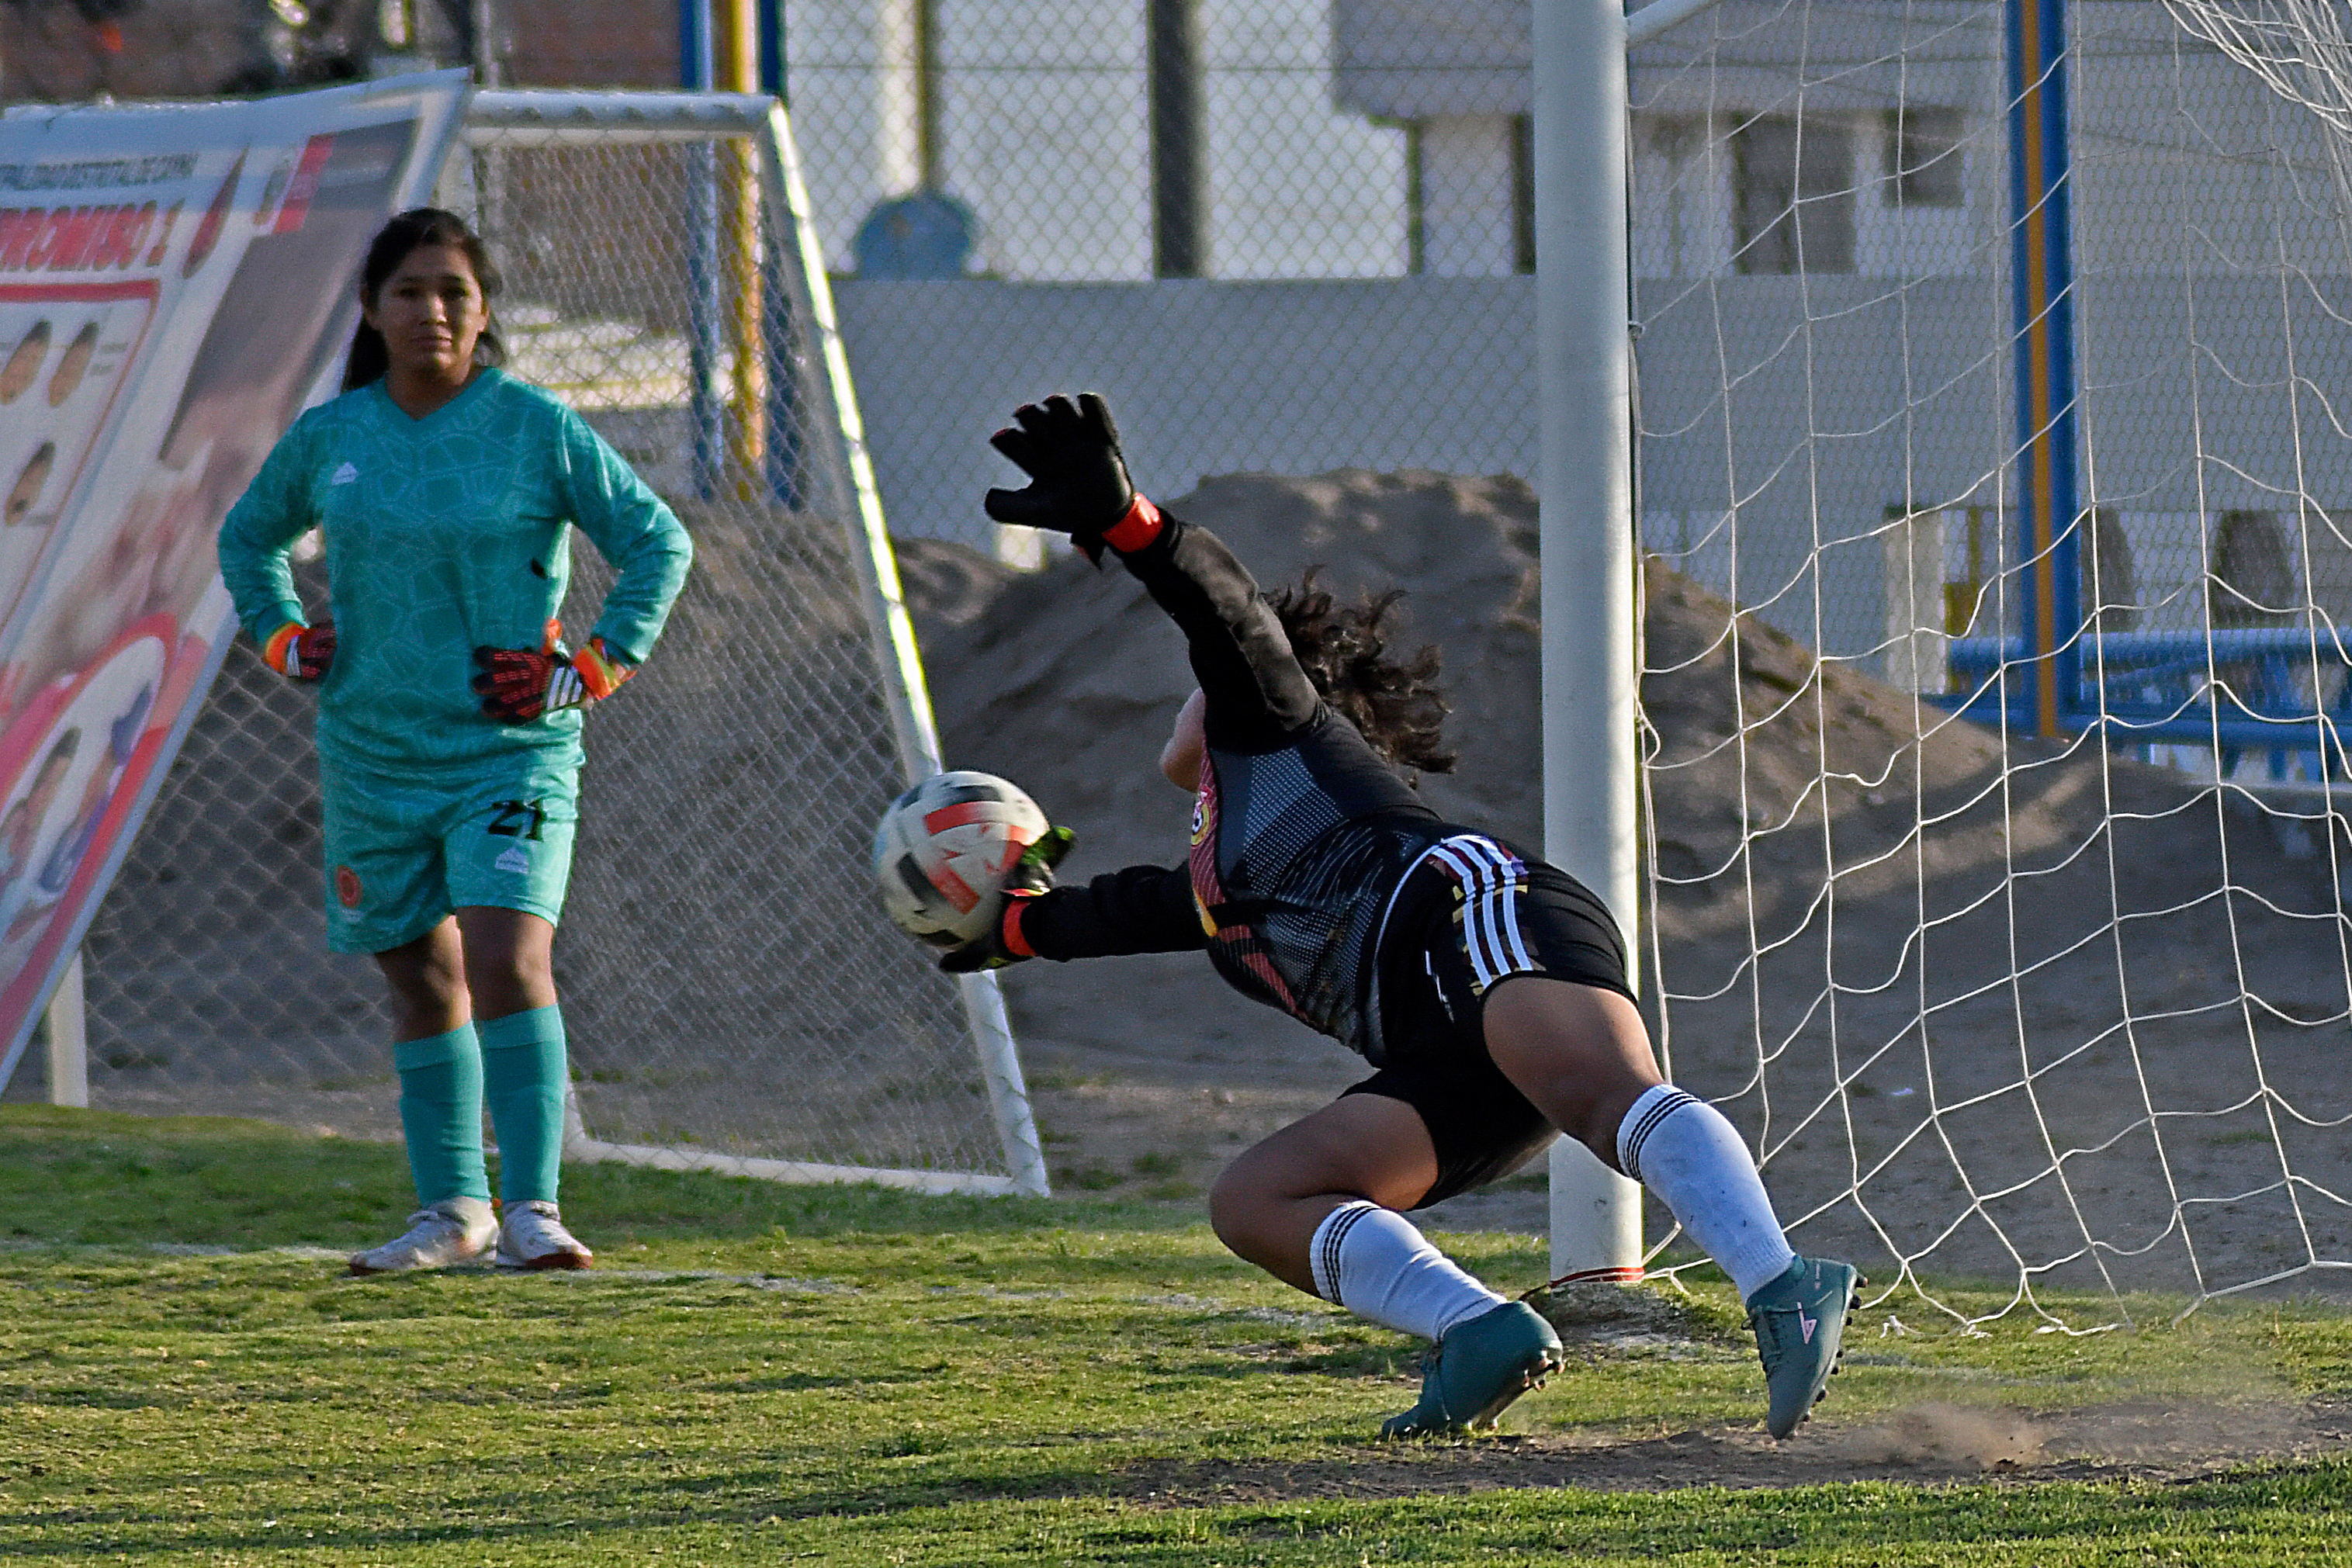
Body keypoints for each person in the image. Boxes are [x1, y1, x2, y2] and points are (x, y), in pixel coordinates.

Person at [940, 394, 1858, 1440]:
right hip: (1448, 1055)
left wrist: (1131, 524)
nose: (1186, 698)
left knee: (1607, 1095)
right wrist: (1002, 927)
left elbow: (1228, 613)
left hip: (1481, 920)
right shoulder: (1218, 868)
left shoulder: (1275, 731)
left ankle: (1784, 1281)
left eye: (1197, 686)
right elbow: (1117, 911)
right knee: (1259, 1197)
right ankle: (1478, 1331)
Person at [218, 208, 693, 1276]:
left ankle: (534, 1208)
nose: (434, 310)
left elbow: (658, 538)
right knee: (423, 982)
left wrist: (594, 663)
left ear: (483, 314)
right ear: (371, 310)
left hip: (509, 750)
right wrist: (286, 636)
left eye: (455, 293)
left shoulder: (534, 425)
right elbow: (248, 537)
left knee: (506, 955)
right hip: (372, 754)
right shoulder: (333, 437)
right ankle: (453, 1212)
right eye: (411, 291)